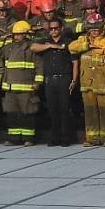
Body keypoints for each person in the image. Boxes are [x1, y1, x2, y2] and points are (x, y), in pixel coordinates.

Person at [69, 13, 105, 147]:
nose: (94, 31)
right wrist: (84, 46)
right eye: (92, 28)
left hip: (103, 83)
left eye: (97, 28)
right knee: (90, 111)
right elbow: (71, 47)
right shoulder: (82, 40)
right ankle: (92, 138)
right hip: (87, 83)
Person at [32, 17, 78, 146]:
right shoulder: (45, 42)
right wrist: (50, 46)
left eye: (55, 28)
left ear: (61, 28)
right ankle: (54, 137)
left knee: (64, 109)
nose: (53, 31)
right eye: (51, 29)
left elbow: (75, 62)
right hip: (50, 79)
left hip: (64, 78)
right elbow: (33, 47)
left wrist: (74, 80)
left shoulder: (68, 43)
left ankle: (65, 137)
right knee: (53, 110)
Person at [1, 20, 43, 146]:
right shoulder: (9, 47)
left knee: (27, 114)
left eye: (19, 34)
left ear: (26, 34)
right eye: (15, 34)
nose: (16, 36)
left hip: (26, 87)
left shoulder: (31, 48)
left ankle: (28, 138)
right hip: (10, 88)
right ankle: (13, 138)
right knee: (12, 114)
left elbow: (39, 67)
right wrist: (2, 39)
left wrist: (38, 83)